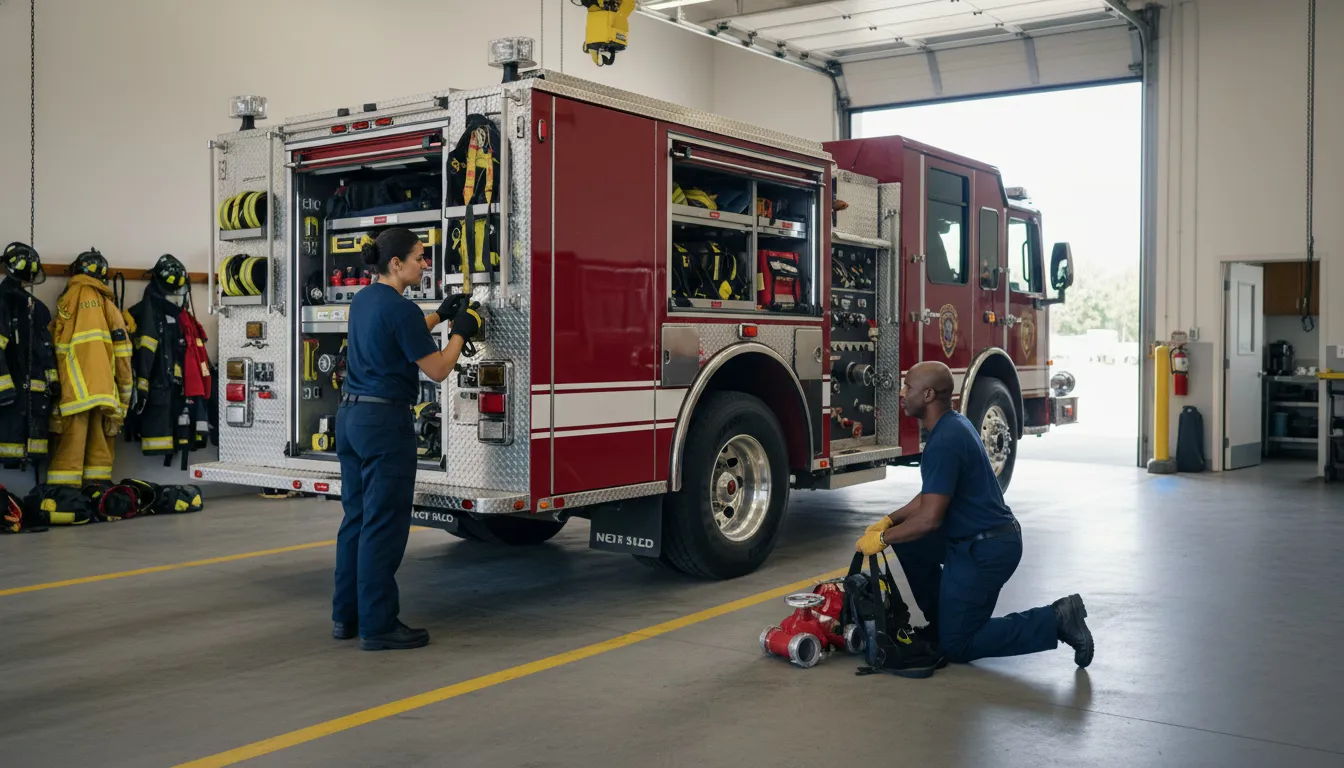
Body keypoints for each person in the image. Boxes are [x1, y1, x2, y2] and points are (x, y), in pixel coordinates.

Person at [855, 361, 1094, 668]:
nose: (903, 393)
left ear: (928, 395)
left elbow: (930, 518)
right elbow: (931, 497)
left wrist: (883, 539)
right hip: (974, 538)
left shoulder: (944, 441)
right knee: (910, 541)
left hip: (985, 550)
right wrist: (891, 520)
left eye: (908, 387)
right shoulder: (952, 423)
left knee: (958, 645)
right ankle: (942, 623)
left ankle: (1057, 618)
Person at [333, 227, 482, 651]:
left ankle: (346, 617)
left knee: (357, 521)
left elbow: (399, 331)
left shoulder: (365, 300)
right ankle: (378, 626)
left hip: (352, 418)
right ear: (396, 264)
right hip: (384, 425)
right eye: (419, 257)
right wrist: (461, 331)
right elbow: (437, 369)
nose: (425, 263)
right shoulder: (399, 310)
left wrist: (439, 313)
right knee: (383, 525)